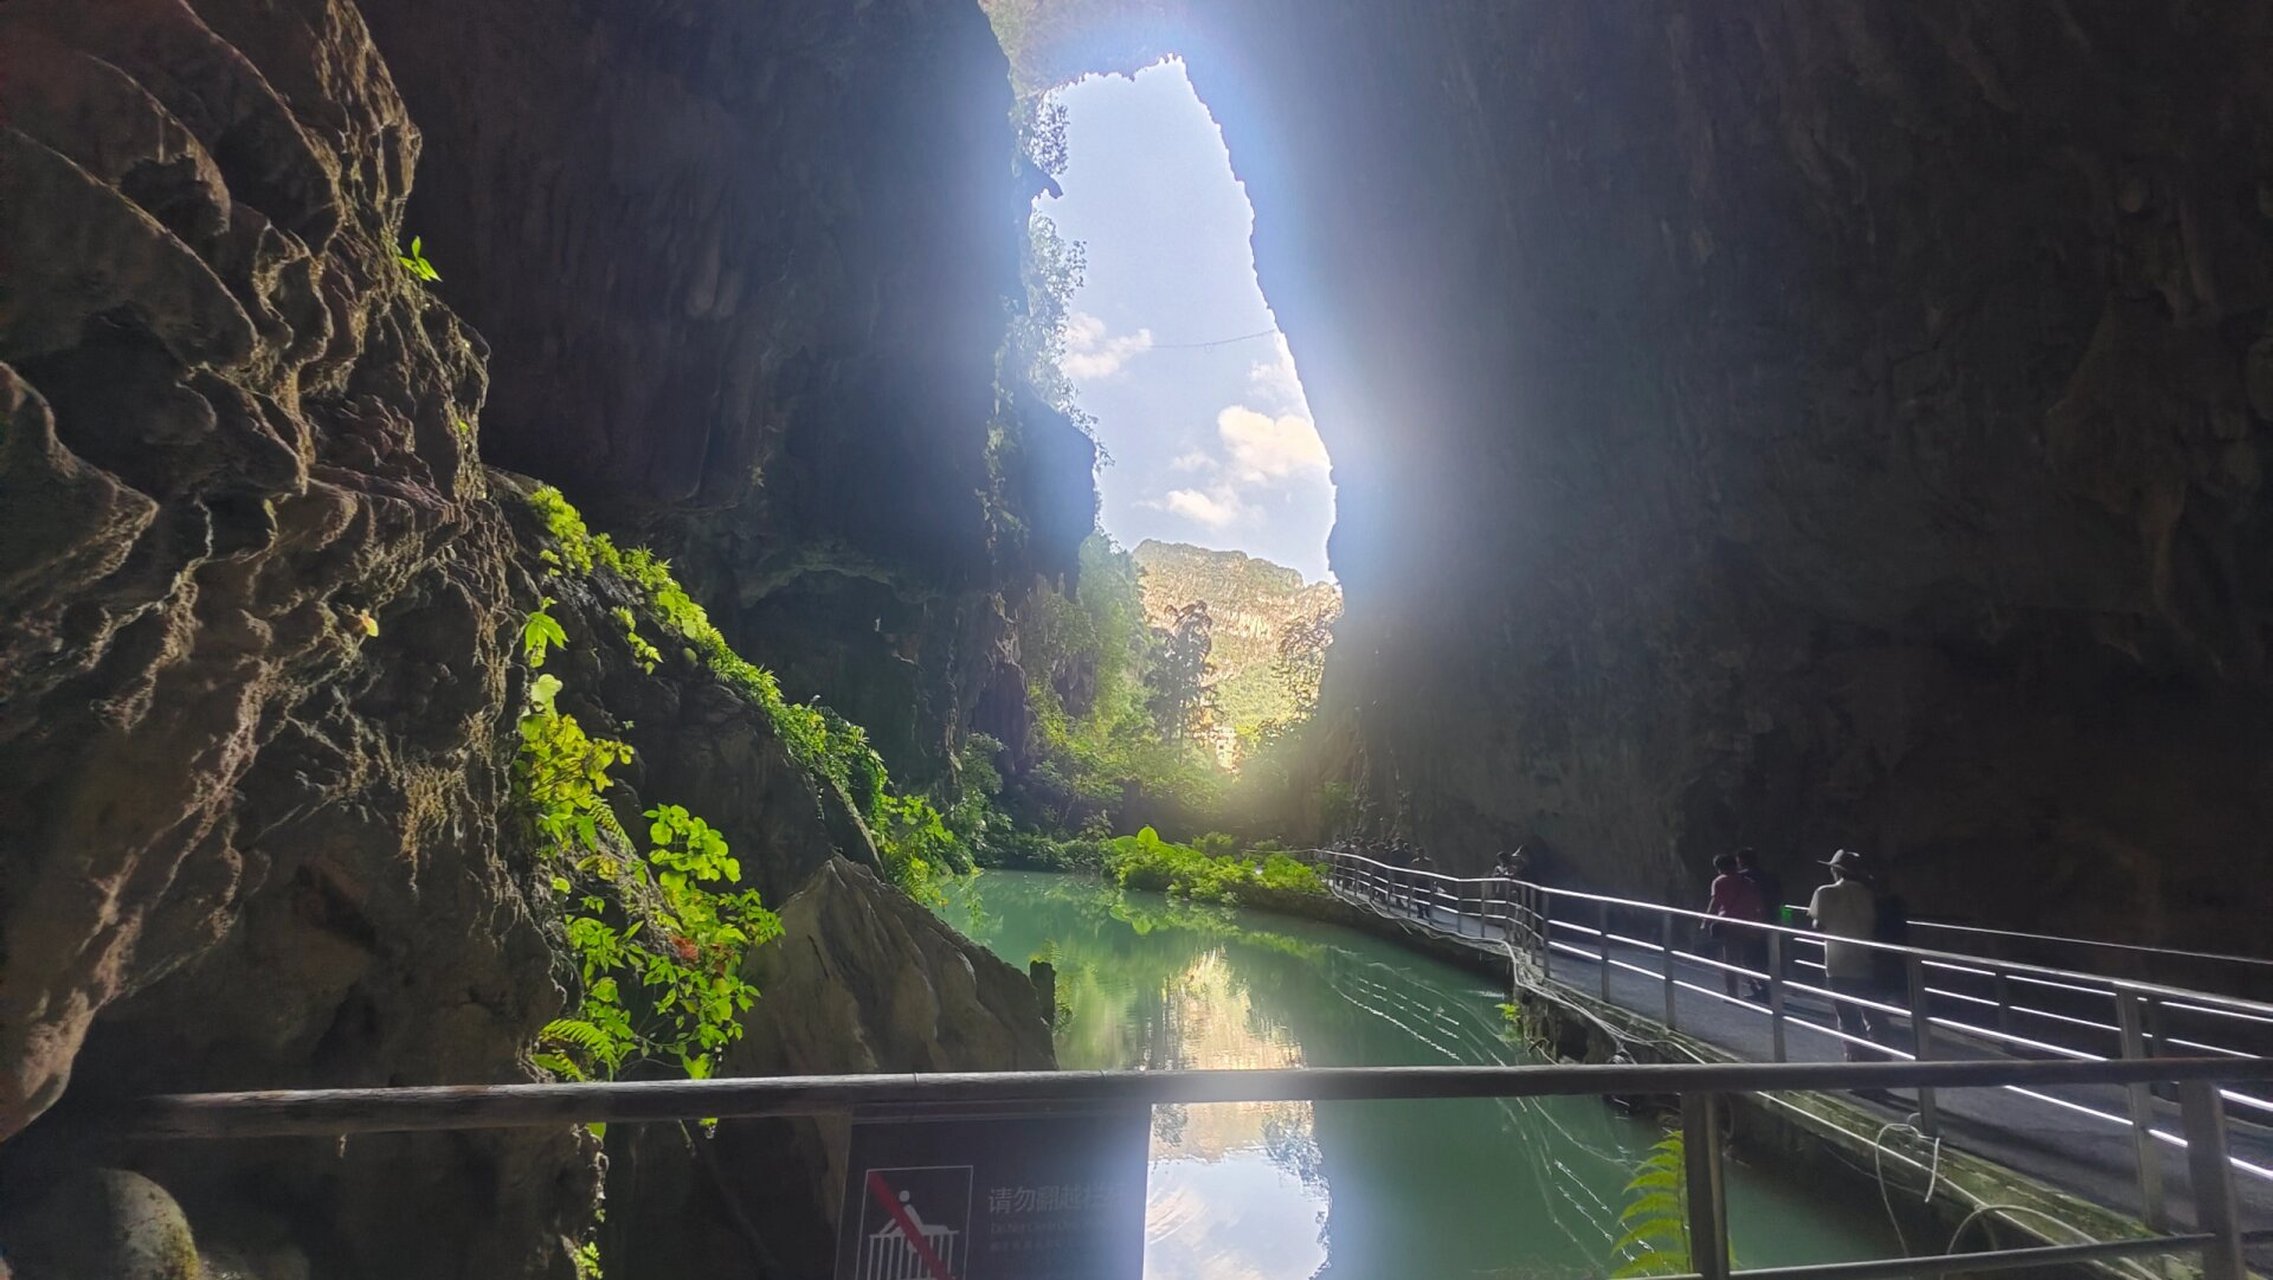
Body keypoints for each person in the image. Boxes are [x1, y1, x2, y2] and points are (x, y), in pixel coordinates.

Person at [1809, 849, 1883, 1059]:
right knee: (1873, 1015)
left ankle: (1855, 1062)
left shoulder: (1825, 892)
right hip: (1869, 961)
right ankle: (1881, 1060)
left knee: (1847, 1016)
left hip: (1838, 963)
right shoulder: (1871, 893)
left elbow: (1818, 925)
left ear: (1835, 870)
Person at [1705, 854, 1768, 1000]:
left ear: (1719, 868)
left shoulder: (1719, 882)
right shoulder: (1748, 882)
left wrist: (1706, 920)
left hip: (1728, 925)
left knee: (1730, 959)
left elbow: (1715, 902)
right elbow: (1758, 904)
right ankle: (1760, 987)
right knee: (1748, 958)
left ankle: (1732, 992)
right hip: (1747, 924)